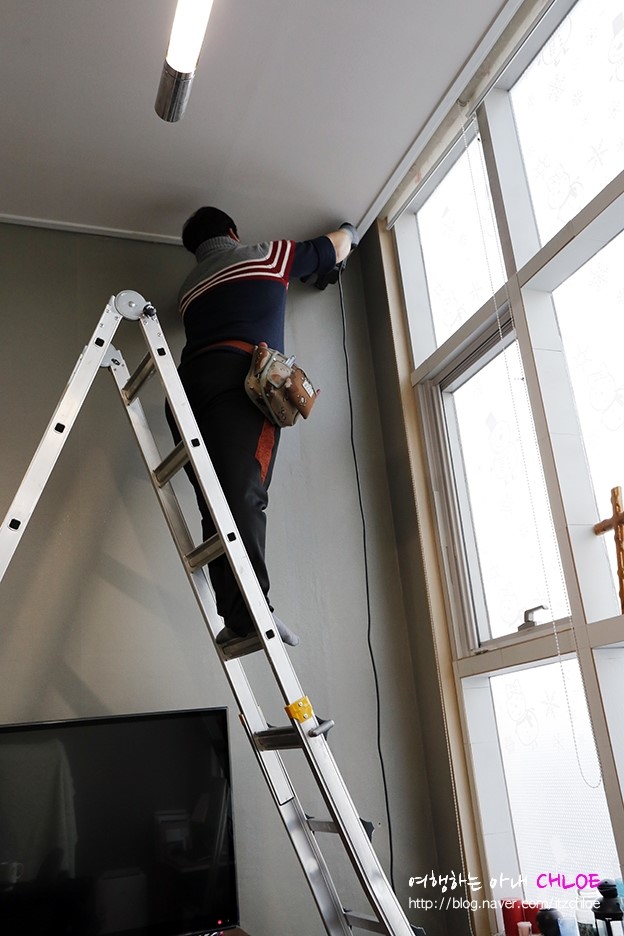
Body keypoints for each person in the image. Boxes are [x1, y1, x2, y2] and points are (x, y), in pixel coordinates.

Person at [166, 207, 356, 647]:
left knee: (216, 504)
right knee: (244, 494)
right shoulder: (266, 256)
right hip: (241, 384)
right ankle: (253, 611)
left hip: (184, 390)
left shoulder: (187, 291)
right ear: (233, 231)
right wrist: (350, 230)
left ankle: (238, 615)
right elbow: (337, 246)